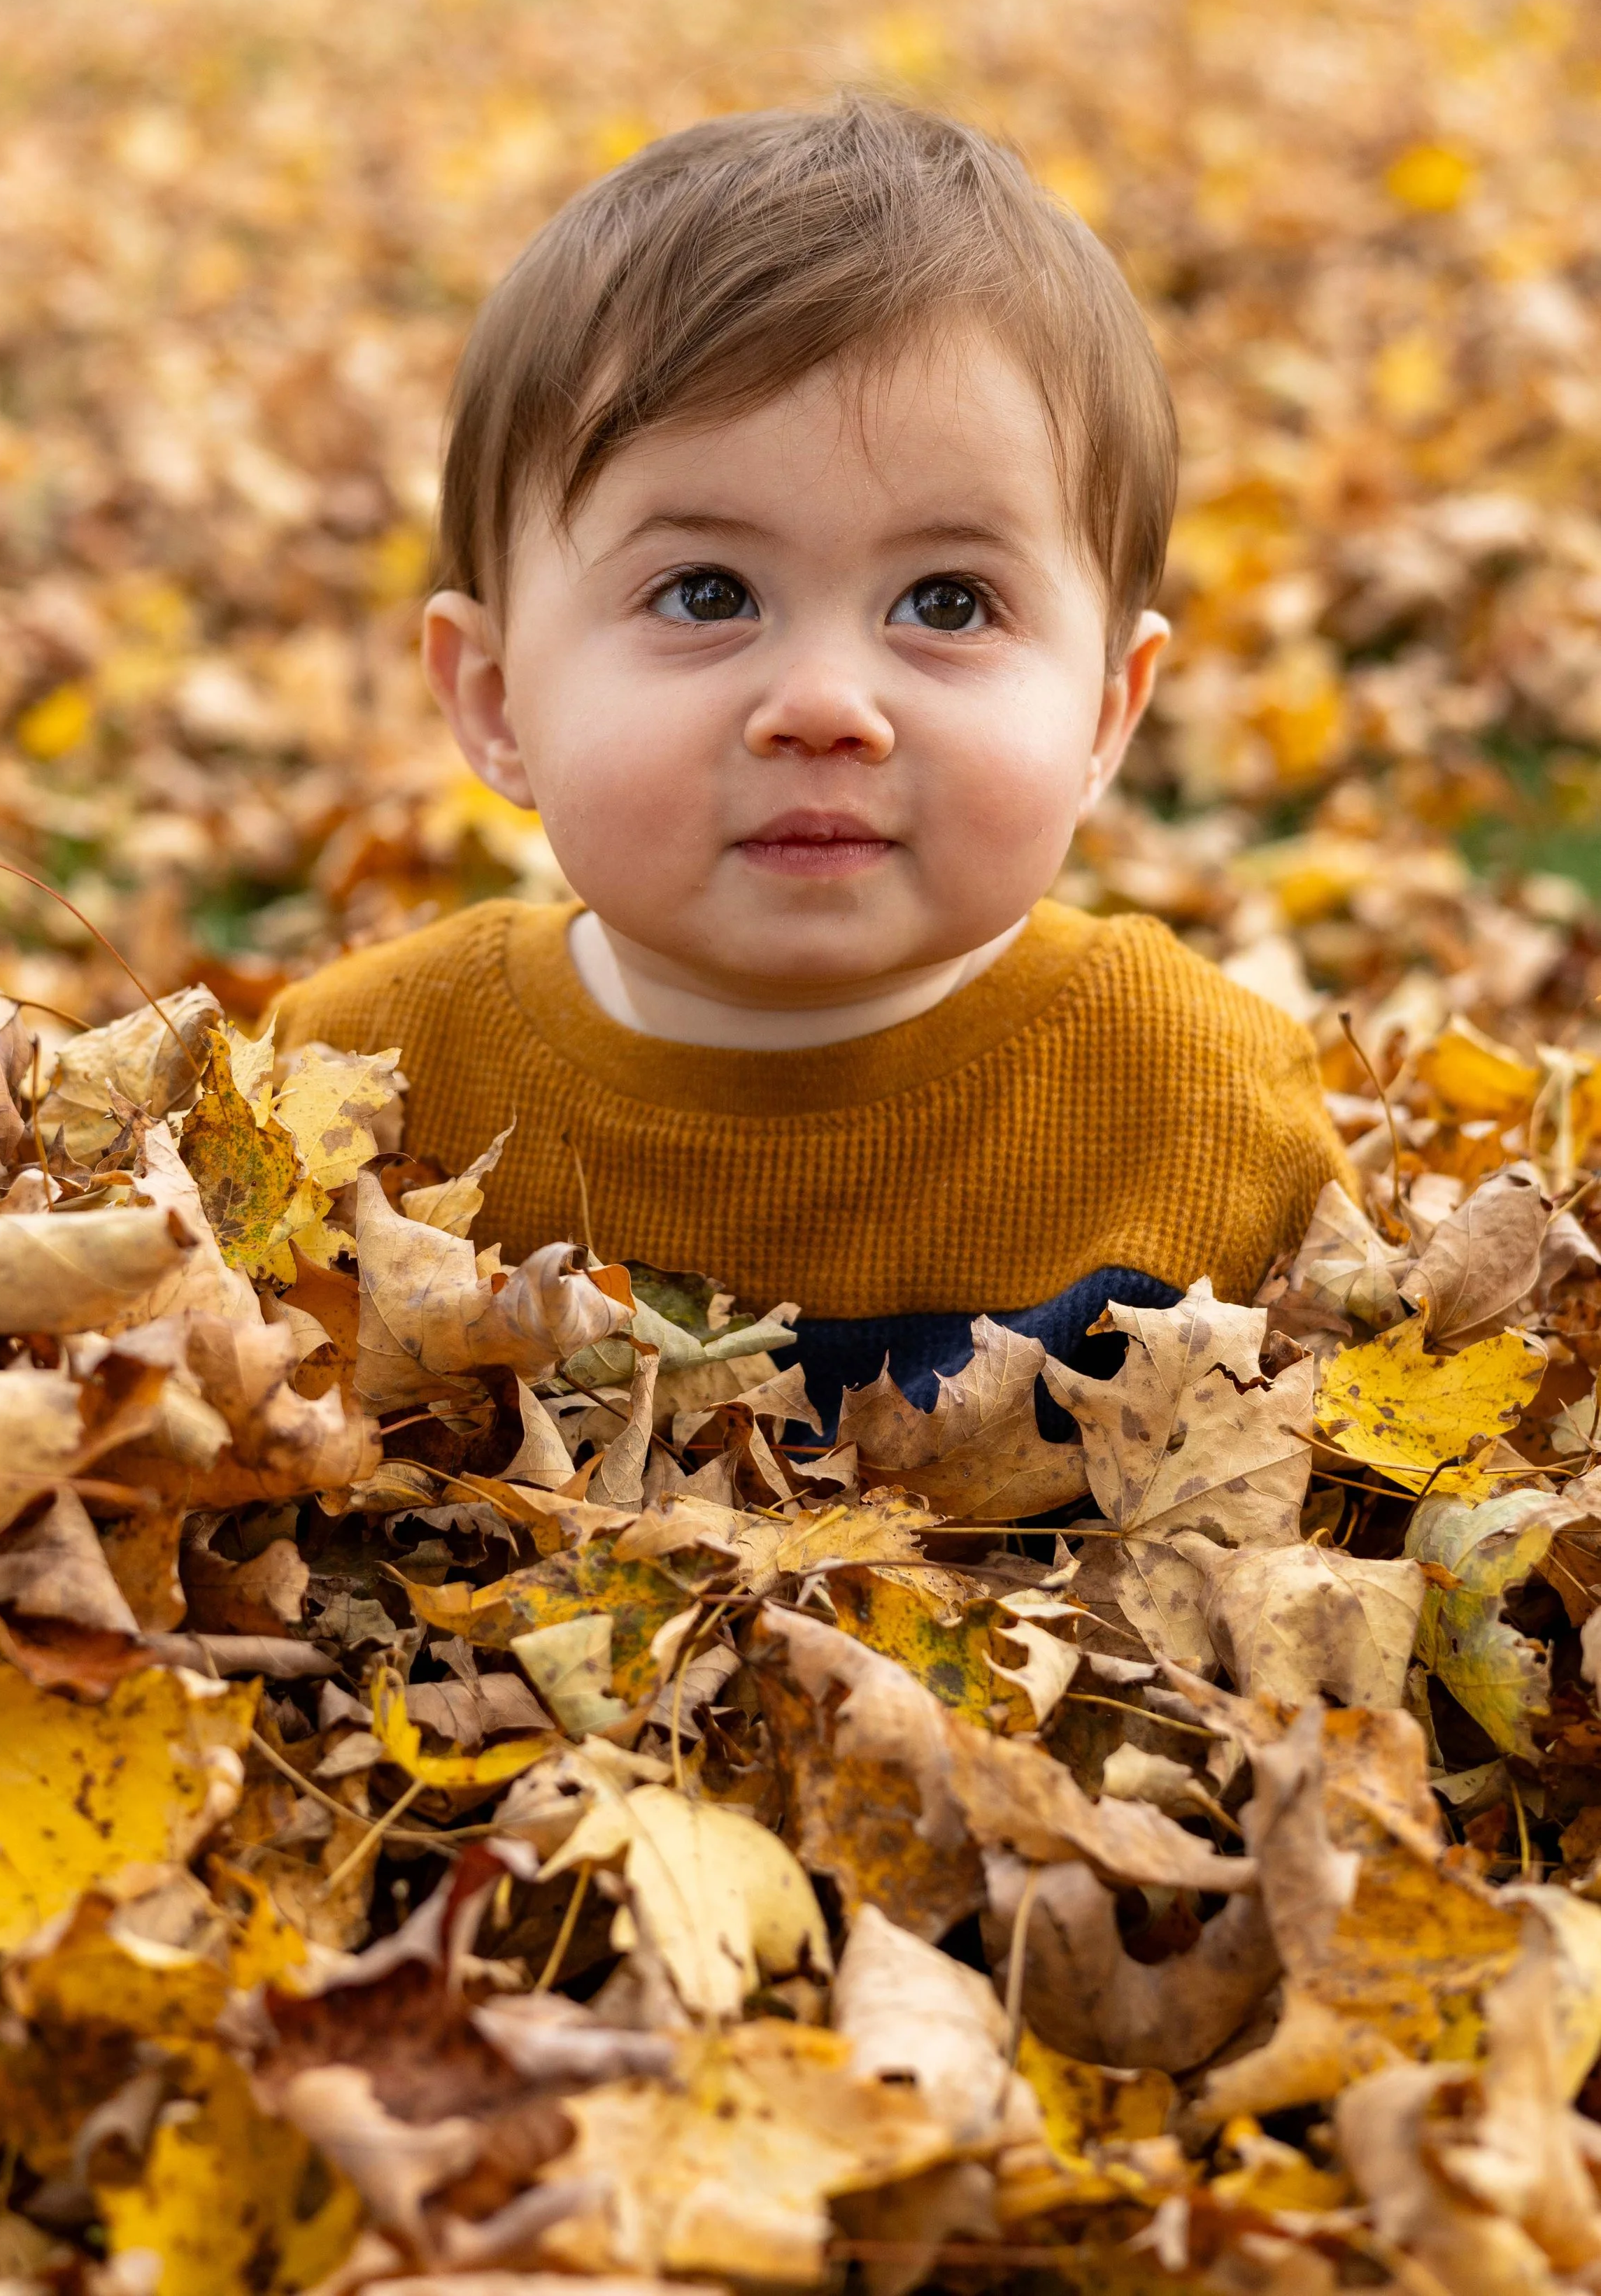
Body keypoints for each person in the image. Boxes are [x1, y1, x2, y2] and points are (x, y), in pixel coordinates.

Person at [272, 98, 1351, 1429]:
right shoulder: (358, 1085)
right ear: (496, 700)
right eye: (707, 592)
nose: (828, 705)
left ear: (1105, 716)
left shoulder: (1205, 1109)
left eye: (947, 603)